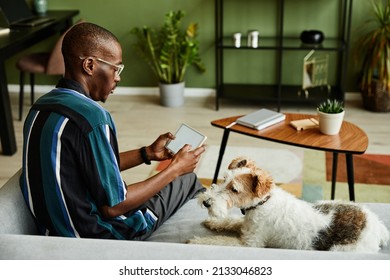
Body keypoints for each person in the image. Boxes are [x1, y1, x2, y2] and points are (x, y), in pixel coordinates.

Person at [20, 22, 206, 240]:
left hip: (54, 230)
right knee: (186, 179)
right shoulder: (94, 118)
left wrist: (146, 154)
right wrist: (175, 168)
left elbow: (90, 167)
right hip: (98, 235)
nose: (118, 77)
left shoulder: (41, 106)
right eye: (116, 68)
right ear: (89, 65)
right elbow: (113, 207)